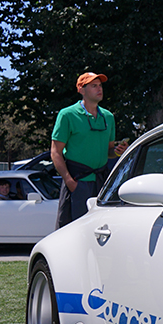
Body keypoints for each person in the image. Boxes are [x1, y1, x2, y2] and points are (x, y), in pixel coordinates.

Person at [51, 72, 127, 228]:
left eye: (100, 85)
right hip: (78, 182)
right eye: (94, 86)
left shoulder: (108, 117)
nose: (99, 89)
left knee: (102, 228)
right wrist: (70, 182)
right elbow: (55, 152)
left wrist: (118, 151)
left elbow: (109, 151)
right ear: (81, 89)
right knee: (73, 230)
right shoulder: (67, 115)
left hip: (102, 183)